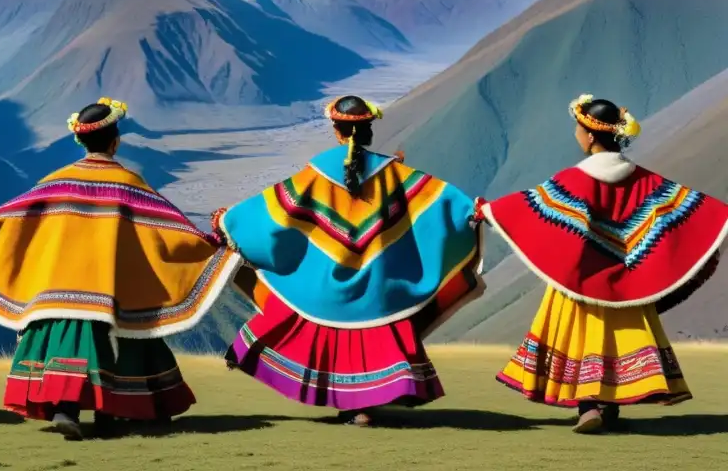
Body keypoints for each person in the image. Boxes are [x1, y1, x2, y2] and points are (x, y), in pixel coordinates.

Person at [0, 98, 242, 441]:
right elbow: (171, 231)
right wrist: (214, 241)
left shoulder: (55, 182)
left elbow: (8, 220)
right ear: (115, 141)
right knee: (125, 338)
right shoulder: (130, 184)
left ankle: (64, 409)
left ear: (80, 141)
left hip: (58, 289)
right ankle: (110, 411)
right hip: (111, 290)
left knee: (65, 343)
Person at [209, 95, 485, 426]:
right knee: (376, 330)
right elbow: (443, 204)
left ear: (337, 132)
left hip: (326, 294)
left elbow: (273, 212)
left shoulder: (314, 176)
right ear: (368, 130)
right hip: (379, 289)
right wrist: (474, 213)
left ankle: (349, 404)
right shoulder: (397, 176)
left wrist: (230, 221)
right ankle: (364, 405)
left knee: (312, 317)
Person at [473, 94, 728, 434]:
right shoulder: (644, 181)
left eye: (579, 129)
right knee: (619, 337)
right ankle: (607, 405)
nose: (577, 135)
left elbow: (533, 208)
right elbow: (687, 207)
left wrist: (488, 210)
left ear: (591, 135)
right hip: (630, 283)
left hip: (578, 281)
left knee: (580, 337)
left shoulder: (573, 181)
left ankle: (589, 406)